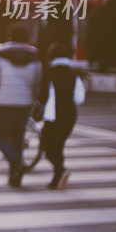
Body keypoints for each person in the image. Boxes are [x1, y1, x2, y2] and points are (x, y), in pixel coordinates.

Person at [0, 22, 43, 188]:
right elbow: (37, 83)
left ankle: (16, 163)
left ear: (10, 37)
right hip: (24, 105)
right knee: (18, 139)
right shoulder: (35, 58)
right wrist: (33, 100)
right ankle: (15, 177)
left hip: (4, 104)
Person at [39, 42, 86, 190]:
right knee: (58, 146)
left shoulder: (49, 72)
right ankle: (56, 179)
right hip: (70, 116)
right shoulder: (74, 73)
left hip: (53, 116)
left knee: (47, 147)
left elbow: (42, 95)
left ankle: (61, 170)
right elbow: (80, 97)